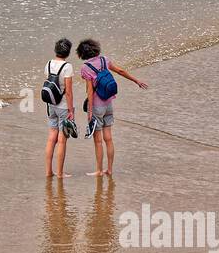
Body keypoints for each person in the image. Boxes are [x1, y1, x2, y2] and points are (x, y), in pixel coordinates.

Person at [77, 38, 148, 178]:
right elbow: (120, 71)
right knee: (108, 139)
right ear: (95, 48)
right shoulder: (104, 60)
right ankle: (109, 169)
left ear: (82, 53)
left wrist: (90, 111)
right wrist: (136, 80)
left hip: (97, 106)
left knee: (98, 141)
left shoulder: (85, 68)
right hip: (109, 104)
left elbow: (90, 92)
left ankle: (99, 170)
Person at [42, 38, 76, 179]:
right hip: (62, 106)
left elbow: (48, 81)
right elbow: (68, 91)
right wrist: (71, 110)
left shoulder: (49, 64)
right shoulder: (67, 67)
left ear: (56, 50)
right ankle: (60, 173)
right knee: (62, 140)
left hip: (51, 105)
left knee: (51, 139)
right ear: (68, 52)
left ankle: (48, 171)